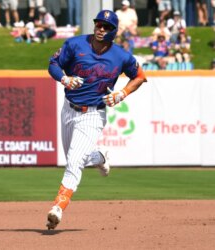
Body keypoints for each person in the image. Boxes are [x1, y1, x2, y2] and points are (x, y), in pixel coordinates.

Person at [46, 10, 147, 230]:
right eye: (98, 24)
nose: (101, 29)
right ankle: (100, 156)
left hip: (93, 113)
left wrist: (122, 93)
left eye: (106, 26)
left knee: (74, 161)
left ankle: (58, 207)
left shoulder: (121, 56)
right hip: (68, 109)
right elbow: (53, 64)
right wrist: (64, 78)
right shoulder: (75, 44)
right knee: (76, 158)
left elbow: (139, 77)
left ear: (113, 31)